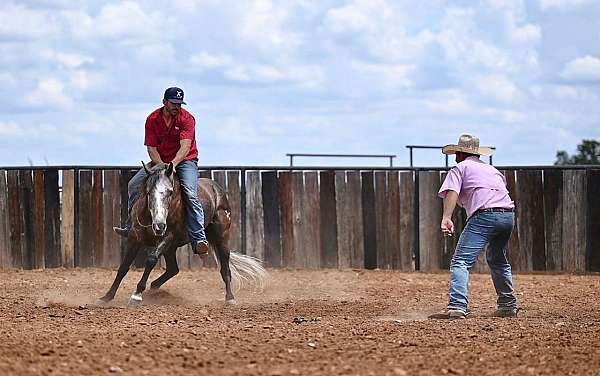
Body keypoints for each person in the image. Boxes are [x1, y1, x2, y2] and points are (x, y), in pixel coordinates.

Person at [114, 87, 209, 256]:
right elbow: (151, 148)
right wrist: (162, 167)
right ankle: (131, 225)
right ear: (165, 102)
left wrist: (172, 165)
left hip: (184, 161)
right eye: (174, 103)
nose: (177, 107)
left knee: (190, 192)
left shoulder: (187, 119)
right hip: (160, 161)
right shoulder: (152, 119)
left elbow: (185, 146)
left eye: (179, 104)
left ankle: (199, 238)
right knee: (134, 185)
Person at [433, 134, 518, 319]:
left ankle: (457, 306)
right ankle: (507, 305)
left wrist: (446, 217)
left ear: (459, 153)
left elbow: (453, 192)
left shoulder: (459, 167)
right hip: (508, 216)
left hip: (484, 215)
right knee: (497, 259)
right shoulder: (493, 170)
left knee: (460, 261)